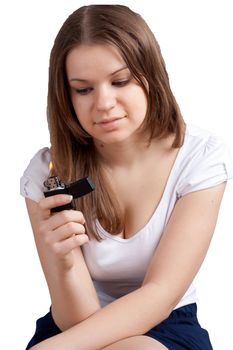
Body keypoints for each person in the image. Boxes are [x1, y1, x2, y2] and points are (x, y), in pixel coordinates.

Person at [20, 4, 233, 350]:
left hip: (167, 322)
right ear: (66, 95)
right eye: (83, 89)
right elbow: (77, 319)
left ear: (151, 75)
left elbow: (160, 294)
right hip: (77, 323)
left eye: (120, 81)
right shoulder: (46, 173)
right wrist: (63, 260)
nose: (104, 103)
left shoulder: (200, 157)